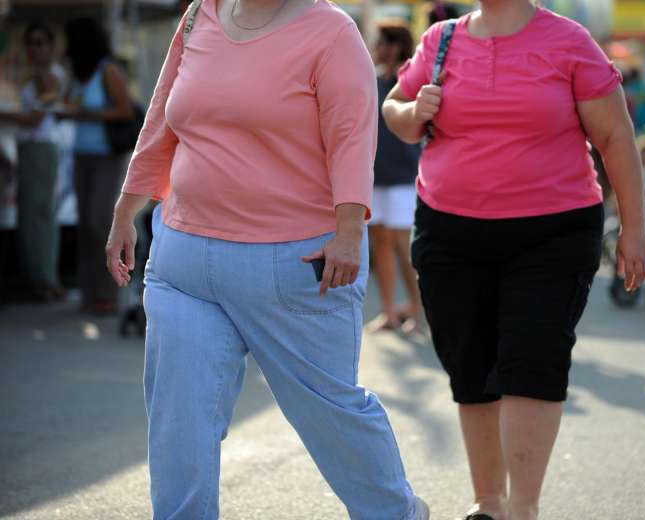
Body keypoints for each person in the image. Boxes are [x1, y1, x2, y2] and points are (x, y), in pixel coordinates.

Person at [106, 1, 428, 519]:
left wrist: (350, 232)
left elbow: (351, 137)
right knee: (179, 419)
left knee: (330, 413)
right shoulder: (201, 15)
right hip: (183, 261)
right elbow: (162, 118)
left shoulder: (331, 31)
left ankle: (396, 514)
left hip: (295, 262)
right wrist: (127, 209)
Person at [383, 1, 645, 519]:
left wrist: (634, 228)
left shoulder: (569, 41)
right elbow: (394, 107)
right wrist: (412, 113)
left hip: (552, 234)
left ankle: (523, 509)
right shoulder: (441, 39)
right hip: (450, 231)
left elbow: (616, 136)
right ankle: (489, 503)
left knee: (532, 360)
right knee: (469, 364)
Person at [62, 18, 134, 314]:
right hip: (82, 154)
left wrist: (87, 113)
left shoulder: (108, 70)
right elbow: (68, 103)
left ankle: (109, 291)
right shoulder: (78, 74)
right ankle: (89, 292)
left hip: (106, 155)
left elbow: (125, 110)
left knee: (99, 222)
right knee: (85, 225)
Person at [0, 22, 65, 301]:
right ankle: (38, 279)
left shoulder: (50, 76)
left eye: (39, 43)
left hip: (40, 148)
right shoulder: (35, 75)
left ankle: (46, 280)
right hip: (29, 148)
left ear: (51, 46)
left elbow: (36, 118)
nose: (34, 49)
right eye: (30, 43)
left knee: (39, 216)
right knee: (30, 216)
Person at [367, 21, 423, 333]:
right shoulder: (372, 80)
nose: (378, 48)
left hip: (404, 175)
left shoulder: (411, 80)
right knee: (381, 244)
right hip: (374, 175)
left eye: (383, 42)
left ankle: (417, 310)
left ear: (397, 46)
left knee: (403, 246)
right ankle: (388, 312)